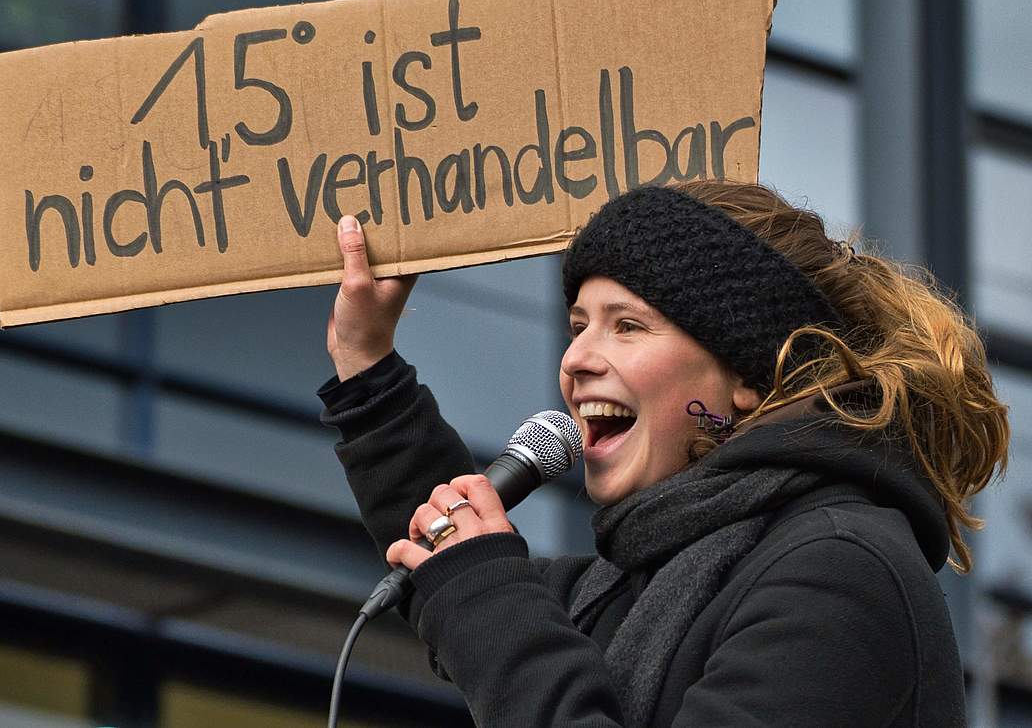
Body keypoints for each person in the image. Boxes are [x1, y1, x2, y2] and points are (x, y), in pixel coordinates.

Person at [318, 181, 1009, 728]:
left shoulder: (840, 571)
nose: (577, 359)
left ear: (742, 376)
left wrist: (488, 594)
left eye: (628, 326)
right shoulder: (631, 586)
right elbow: (456, 568)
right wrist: (366, 363)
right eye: (578, 326)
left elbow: (507, 628)